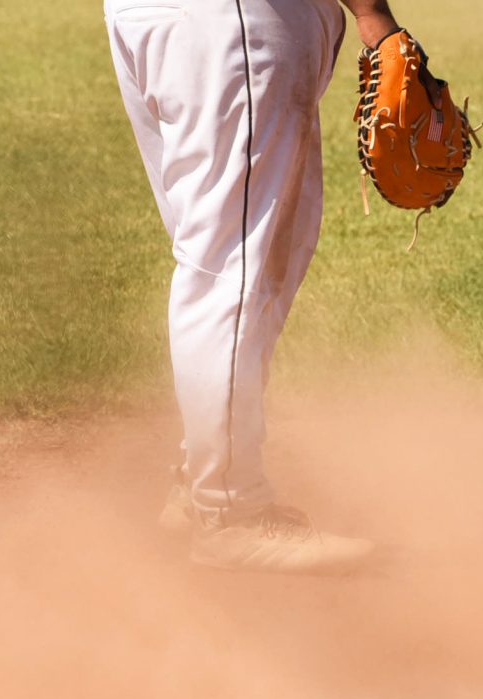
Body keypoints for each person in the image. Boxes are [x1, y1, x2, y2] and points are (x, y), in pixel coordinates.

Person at [105, 0, 412, 573]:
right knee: (234, 268)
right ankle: (229, 512)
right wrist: (374, 17)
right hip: (234, 21)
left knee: (238, 253)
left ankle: (203, 479)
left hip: (166, 20)